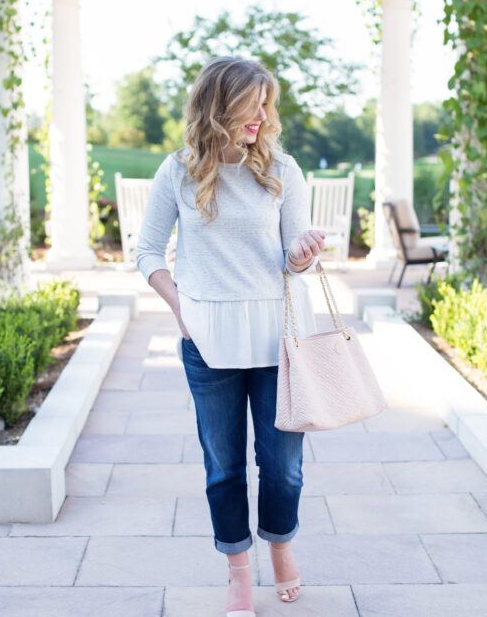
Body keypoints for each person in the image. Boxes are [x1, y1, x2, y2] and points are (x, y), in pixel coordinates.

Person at [136, 56, 326, 617]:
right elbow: (147, 252)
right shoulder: (177, 171)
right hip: (207, 339)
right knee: (223, 466)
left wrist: (301, 254)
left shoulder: (283, 169)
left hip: (277, 338)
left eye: (268, 104)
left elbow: (294, 259)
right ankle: (238, 568)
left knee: (284, 463)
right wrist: (179, 307)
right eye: (253, 104)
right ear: (221, 105)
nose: (263, 115)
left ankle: (282, 545)